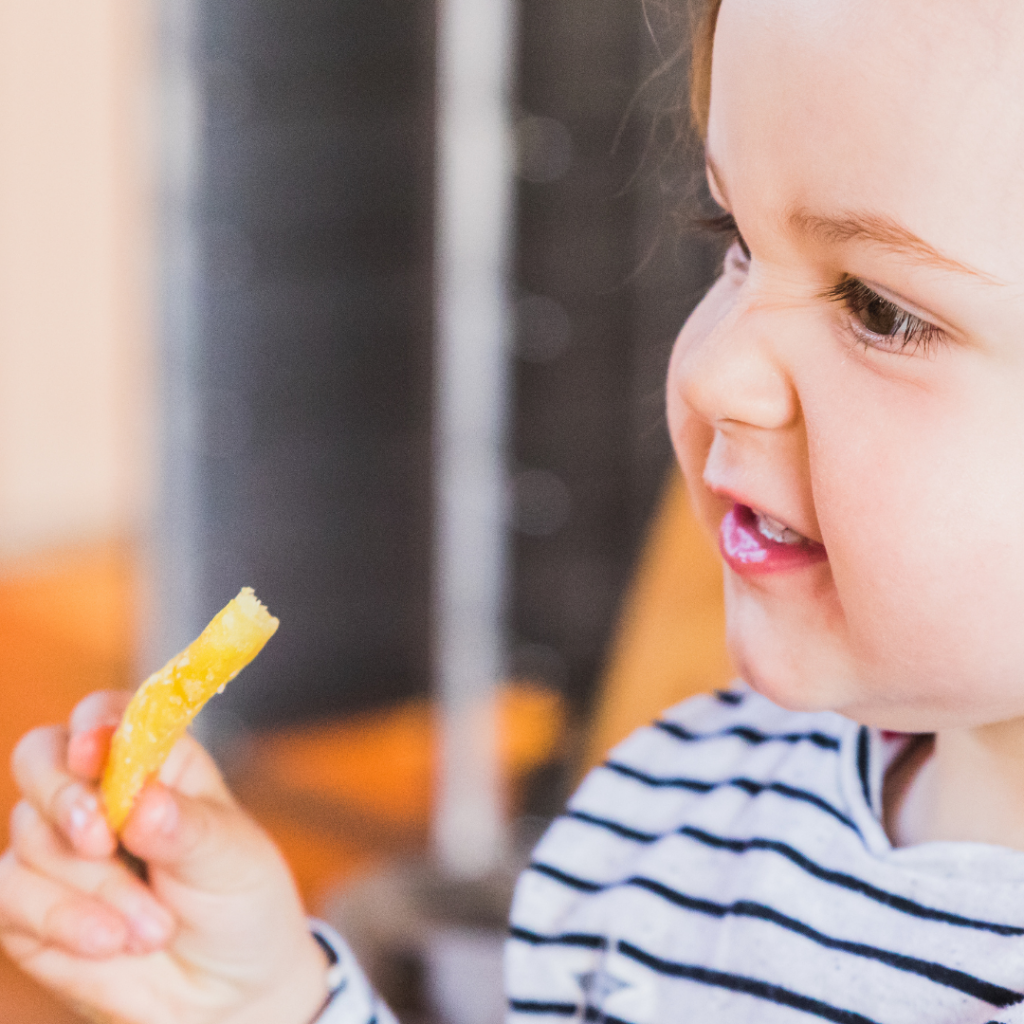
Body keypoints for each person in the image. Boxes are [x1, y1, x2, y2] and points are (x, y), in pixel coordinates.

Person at [6, 0, 1024, 1019]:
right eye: (735, 240)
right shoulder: (669, 811)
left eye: (877, 309)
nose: (714, 369)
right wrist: (267, 1002)